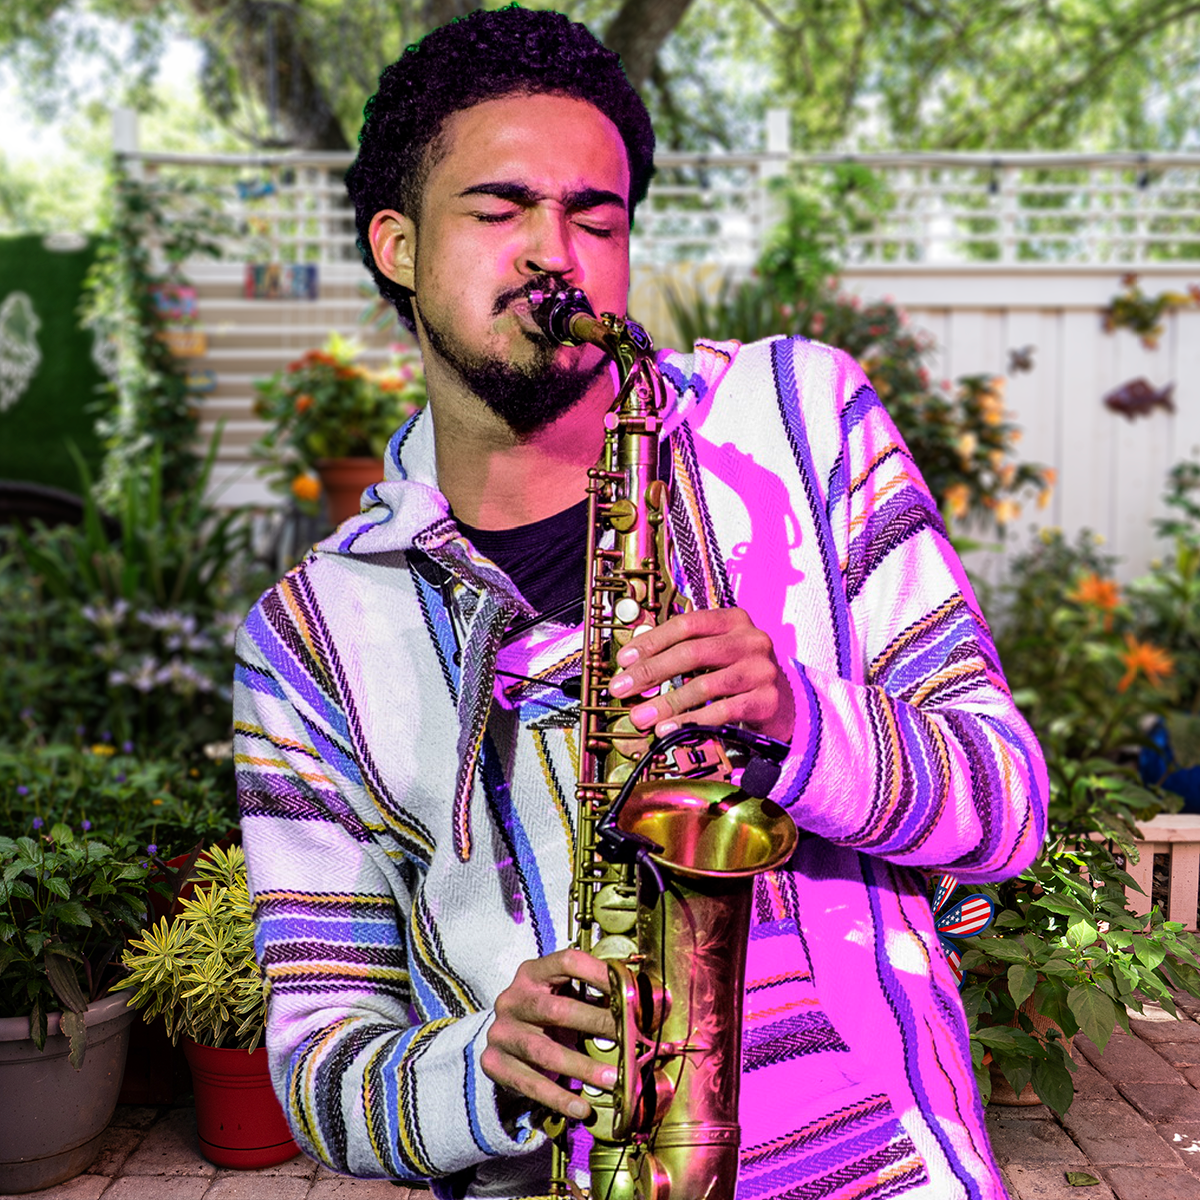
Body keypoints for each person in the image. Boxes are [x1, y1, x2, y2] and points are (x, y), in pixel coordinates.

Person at [233, 7, 1048, 1199]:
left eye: (594, 216)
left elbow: (1008, 805)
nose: (553, 250)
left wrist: (801, 720)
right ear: (397, 246)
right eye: (500, 208)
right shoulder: (308, 638)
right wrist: (485, 1068)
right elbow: (320, 1067)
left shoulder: (800, 420)